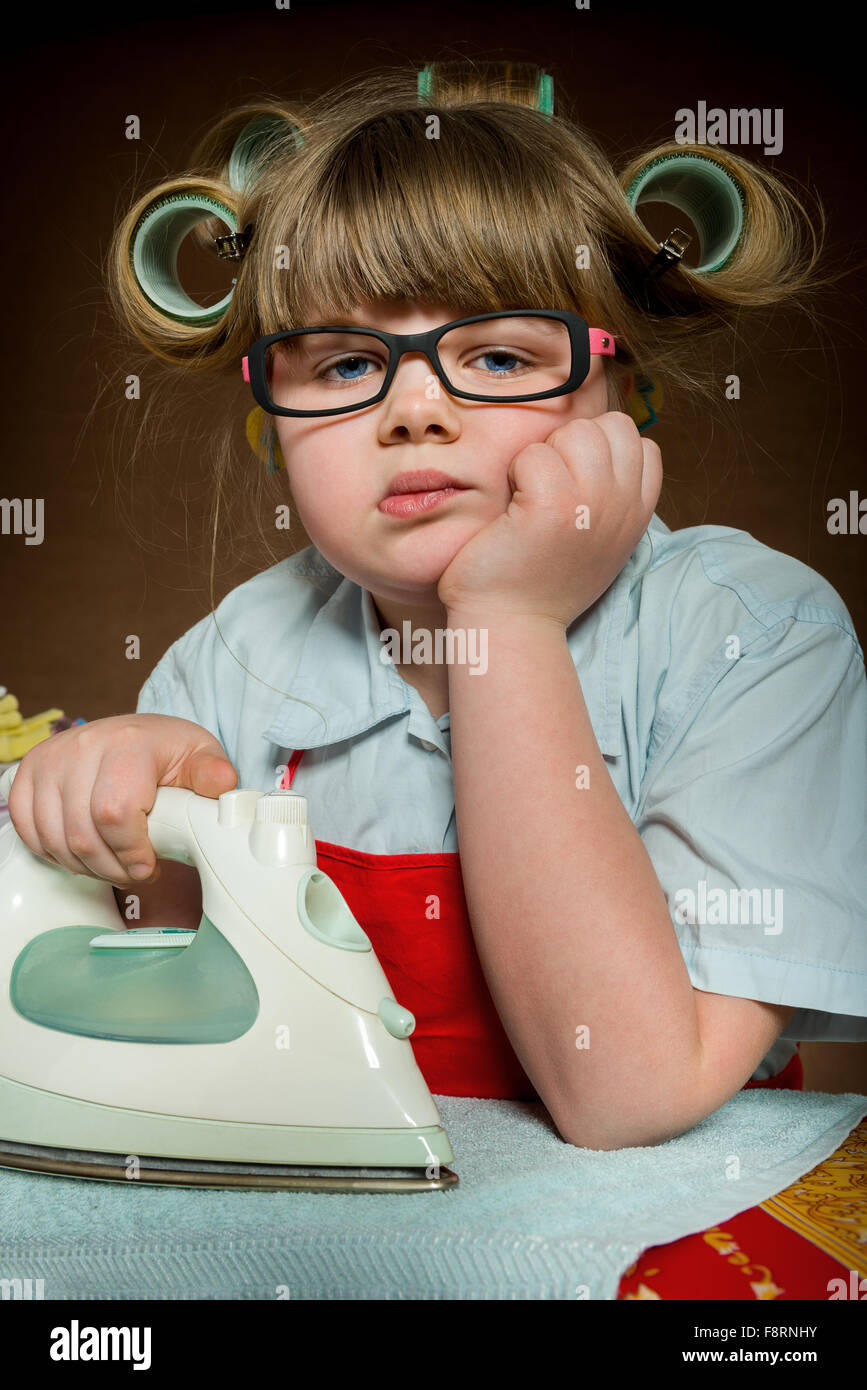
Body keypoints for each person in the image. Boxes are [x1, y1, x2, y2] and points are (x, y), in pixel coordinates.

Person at [10, 60, 866, 1151]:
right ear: (272, 417)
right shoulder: (223, 667)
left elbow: (630, 1094)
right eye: (346, 365)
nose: (416, 410)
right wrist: (117, 834)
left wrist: (506, 622)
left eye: (500, 354)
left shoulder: (758, 639)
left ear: (618, 388)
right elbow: (185, 1053)